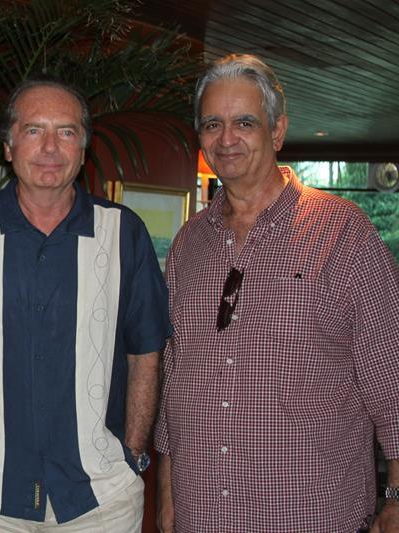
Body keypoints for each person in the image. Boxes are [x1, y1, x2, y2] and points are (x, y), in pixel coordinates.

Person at [155, 54, 399, 532]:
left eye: (244, 122)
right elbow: (176, 376)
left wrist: (396, 497)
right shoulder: (189, 243)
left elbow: (391, 378)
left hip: (309, 516)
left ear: (278, 130)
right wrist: (167, 491)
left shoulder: (345, 235)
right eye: (212, 124)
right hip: (202, 515)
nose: (227, 139)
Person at [0, 77, 170, 532]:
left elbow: (146, 350)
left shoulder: (123, 232)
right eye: (33, 130)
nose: (49, 147)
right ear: (8, 146)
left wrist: (133, 452)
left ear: (83, 148)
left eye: (66, 131)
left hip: (99, 498)